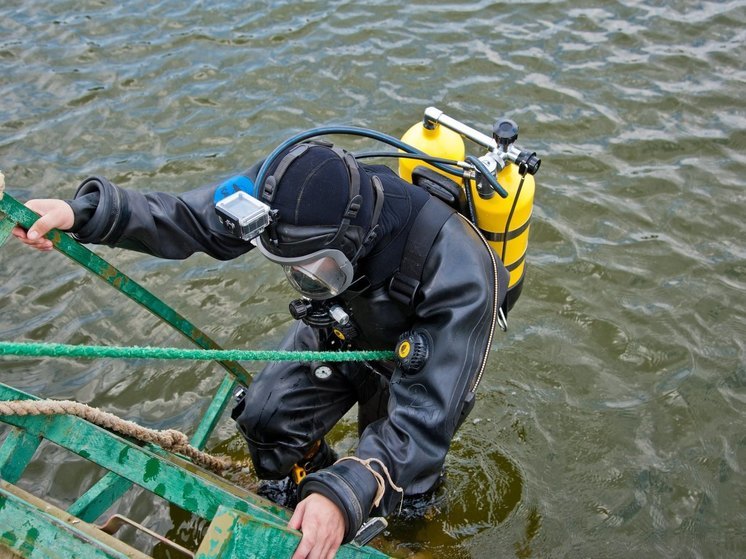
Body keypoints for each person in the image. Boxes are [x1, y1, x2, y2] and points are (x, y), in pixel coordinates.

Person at [13, 140, 509, 559]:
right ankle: (304, 496)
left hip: (420, 361)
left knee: (402, 488)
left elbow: (422, 419)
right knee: (266, 418)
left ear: (357, 239)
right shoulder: (281, 188)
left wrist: (349, 493)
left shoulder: (463, 273)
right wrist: (81, 214)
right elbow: (188, 217)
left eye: (318, 268)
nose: (303, 276)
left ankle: (406, 533)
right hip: (338, 323)